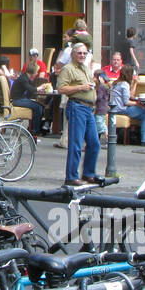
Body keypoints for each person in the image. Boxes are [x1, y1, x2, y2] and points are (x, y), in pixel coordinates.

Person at [56, 39, 99, 189]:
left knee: (94, 143)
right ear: (73, 54)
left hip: (88, 109)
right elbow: (61, 89)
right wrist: (81, 87)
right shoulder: (68, 69)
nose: (82, 55)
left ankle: (88, 173)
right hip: (77, 106)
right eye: (79, 53)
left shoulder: (86, 68)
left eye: (84, 53)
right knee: (76, 143)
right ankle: (71, 177)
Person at [113, 66, 145, 145]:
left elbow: (129, 95)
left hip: (115, 109)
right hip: (122, 109)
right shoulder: (124, 84)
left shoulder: (116, 83)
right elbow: (126, 102)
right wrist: (138, 104)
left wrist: (135, 83)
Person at [8, 62, 45, 135]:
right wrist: (40, 88)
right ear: (33, 72)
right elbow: (31, 89)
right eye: (37, 71)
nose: (37, 73)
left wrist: (38, 89)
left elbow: (31, 89)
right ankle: (35, 130)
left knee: (39, 106)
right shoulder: (23, 79)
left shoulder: (24, 77)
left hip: (18, 99)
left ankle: (32, 128)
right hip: (17, 100)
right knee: (38, 107)